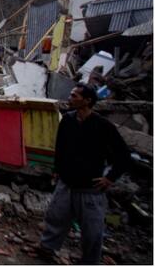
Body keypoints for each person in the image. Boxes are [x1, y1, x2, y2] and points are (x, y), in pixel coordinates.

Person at [39, 82, 131, 264]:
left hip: (90, 188)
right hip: (67, 182)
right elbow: (61, 147)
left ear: (87, 100)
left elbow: (123, 156)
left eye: (75, 96)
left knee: (92, 230)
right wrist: (57, 169)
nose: (70, 98)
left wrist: (110, 178)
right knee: (56, 217)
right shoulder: (68, 120)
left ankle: (90, 261)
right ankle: (47, 249)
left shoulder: (103, 126)